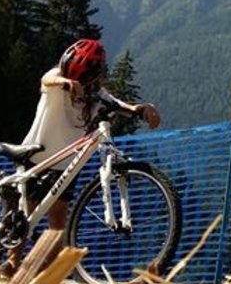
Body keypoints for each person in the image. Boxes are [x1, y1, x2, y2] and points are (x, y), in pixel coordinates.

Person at [18, 38, 161, 233]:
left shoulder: (96, 92)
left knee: (58, 226)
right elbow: (46, 79)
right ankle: (10, 262)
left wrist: (140, 109)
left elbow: (117, 105)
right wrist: (66, 82)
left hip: (66, 164)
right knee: (24, 222)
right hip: (36, 157)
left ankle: (55, 264)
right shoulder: (57, 79)